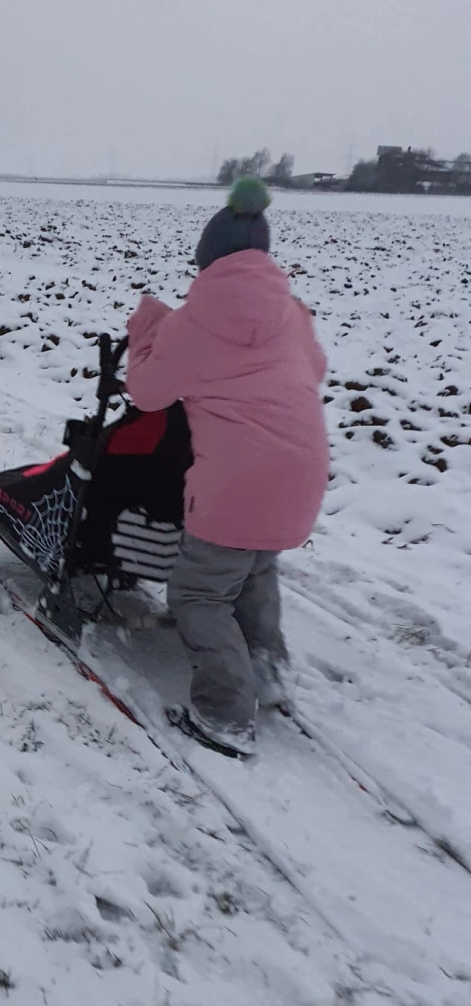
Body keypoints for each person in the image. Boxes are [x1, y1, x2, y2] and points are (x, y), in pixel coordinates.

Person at [125, 177, 329, 757]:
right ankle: (269, 676)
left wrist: (147, 333)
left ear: (206, 258)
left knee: (198, 595)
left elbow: (146, 393)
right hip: (303, 474)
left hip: (236, 485)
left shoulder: (191, 322)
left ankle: (224, 715)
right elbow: (312, 369)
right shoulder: (292, 313)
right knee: (257, 572)